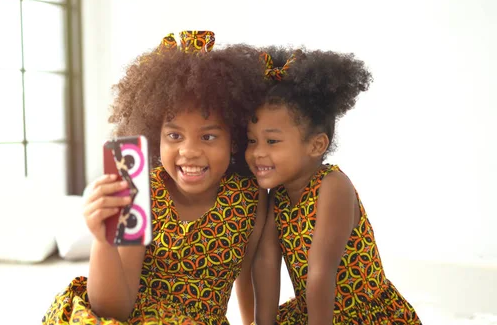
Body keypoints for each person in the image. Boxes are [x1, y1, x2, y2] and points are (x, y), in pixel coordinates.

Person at [42, 31, 268, 325]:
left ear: (234, 140)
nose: (189, 151)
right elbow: (114, 310)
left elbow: (249, 271)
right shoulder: (141, 191)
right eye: (174, 135)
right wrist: (103, 239)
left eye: (208, 136)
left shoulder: (249, 196)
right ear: (154, 136)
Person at [248, 46, 422, 325]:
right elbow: (265, 263)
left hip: (360, 315)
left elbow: (321, 271)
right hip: (313, 312)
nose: (257, 153)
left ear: (316, 145)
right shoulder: (277, 196)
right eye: (251, 140)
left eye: (272, 141)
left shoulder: (333, 186)